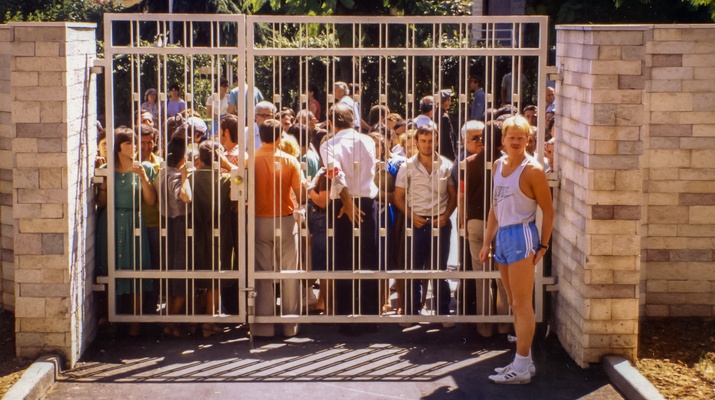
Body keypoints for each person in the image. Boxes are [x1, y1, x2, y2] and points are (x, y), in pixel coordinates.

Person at [480, 115, 554, 384]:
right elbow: (495, 207)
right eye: (511, 137)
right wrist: (487, 241)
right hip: (503, 237)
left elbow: (548, 210)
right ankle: (526, 361)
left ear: (528, 140)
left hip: (522, 235)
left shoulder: (532, 169)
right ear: (503, 140)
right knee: (513, 301)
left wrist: (543, 244)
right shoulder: (498, 165)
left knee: (522, 304)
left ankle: (521, 367)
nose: (516, 141)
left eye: (521, 138)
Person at [320, 104, 380, 327]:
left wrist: (347, 202)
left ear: (331, 123)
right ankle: (370, 317)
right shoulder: (368, 141)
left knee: (344, 260)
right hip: (366, 200)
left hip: (342, 204)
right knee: (368, 257)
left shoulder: (328, 145)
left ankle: (346, 318)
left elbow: (336, 173)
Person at [95, 127, 158, 337]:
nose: (134, 147)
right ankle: (110, 319)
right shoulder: (106, 168)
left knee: (136, 271)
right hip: (111, 221)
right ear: (118, 147)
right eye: (128, 143)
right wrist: (104, 185)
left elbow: (150, 200)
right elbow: (101, 203)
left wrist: (142, 178)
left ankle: (135, 324)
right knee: (109, 269)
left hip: (134, 222)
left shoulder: (145, 167)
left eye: (135, 143)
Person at [394, 125, 457, 326]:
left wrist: (447, 215)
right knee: (414, 268)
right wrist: (411, 216)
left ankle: (442, 311)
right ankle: (412, 312)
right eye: (423, 141)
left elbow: (454, 196)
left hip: (440, 221)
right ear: (417, 141)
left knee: (439, 268)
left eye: (431, 140)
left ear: (437, 140)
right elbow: (398, 197)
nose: (427, 145)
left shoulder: (447, 165)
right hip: (417, 221)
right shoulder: (407, 167)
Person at [253, 119, 306, 338]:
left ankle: (263, 325)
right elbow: (301, 194)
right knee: (289, 272)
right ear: (278, 137)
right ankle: (289, 325)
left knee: (262, 272)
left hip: (258, 219)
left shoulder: (250, 161)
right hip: (284, 220)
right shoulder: (290, 161)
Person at [192, 140, 234, 337]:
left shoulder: (192, 178)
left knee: (201, 276)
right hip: (220, 233)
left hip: (196, 232)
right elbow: (245, 179)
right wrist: (227, 164)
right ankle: (210, 320)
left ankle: (200, 318)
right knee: (215, 278)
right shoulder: (224, 179)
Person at [156, 132, 193, 337]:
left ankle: (170, 321)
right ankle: (171, 319)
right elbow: (185, 197)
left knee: (172, 272)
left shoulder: (162, 172)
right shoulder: (175, 176)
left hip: (165, 224)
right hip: (178, 224)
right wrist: (186, 176)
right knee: (181, 272)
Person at [436, 89, 456, 160]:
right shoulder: (444, 117)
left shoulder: (434, 113)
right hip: (445, 155)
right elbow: (448, 140)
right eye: (449, 99)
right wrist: (453, 157)